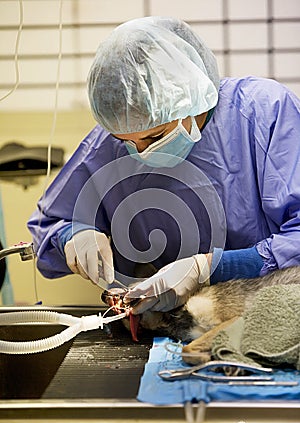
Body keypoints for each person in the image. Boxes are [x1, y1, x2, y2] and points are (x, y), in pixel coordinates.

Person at [28, 16, 300, 315]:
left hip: (275, 308)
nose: (141, 152)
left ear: (189, 97)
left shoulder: (264, 113)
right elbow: (48, 224)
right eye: (126, 141)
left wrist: (208, 267)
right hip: (177, 321)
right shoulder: (109, 142)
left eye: (154, 136)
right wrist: (74, 236)